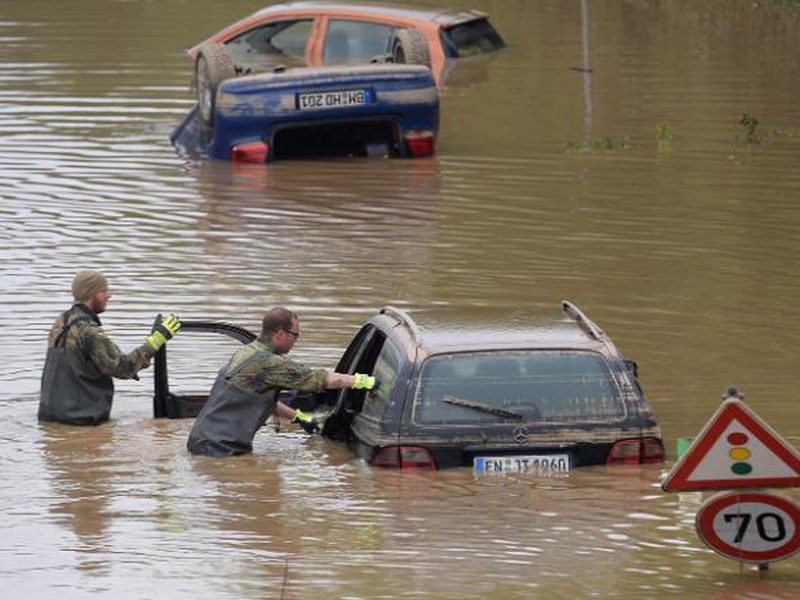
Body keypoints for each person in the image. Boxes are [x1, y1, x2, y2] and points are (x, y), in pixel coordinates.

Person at [187, 306, 375, 457]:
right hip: (220, 451)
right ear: (280, 334)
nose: (296, 341)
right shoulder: (270, 364)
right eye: (295, 335)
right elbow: (320, 378)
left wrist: (300, 418)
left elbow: (263, 400)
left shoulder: (248, 352)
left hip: (201, 442)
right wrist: (362, 381)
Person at [38, 269, 182, 426]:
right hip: (81, 424)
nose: (109, 296)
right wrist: (157, 339)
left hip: (49, 419)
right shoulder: (89, 332)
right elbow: (124, 367)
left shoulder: (59, 323)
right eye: (104, 291)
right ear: (93, 294)